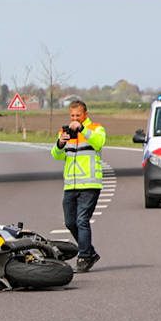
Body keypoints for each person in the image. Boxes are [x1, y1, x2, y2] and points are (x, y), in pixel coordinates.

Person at [50, 98, 105, 270]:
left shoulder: (95, 128)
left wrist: (82, 129)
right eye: (72, 116)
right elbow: (56, 155)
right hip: (70, 185)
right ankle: (90, 252)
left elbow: (99, 143)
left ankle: (84, 257)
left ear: (85, 114)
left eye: (78, 115)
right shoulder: (64, 131)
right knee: (70, 222)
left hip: (89, 184)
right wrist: (60, 143)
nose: (75, 119)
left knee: (82, 220)